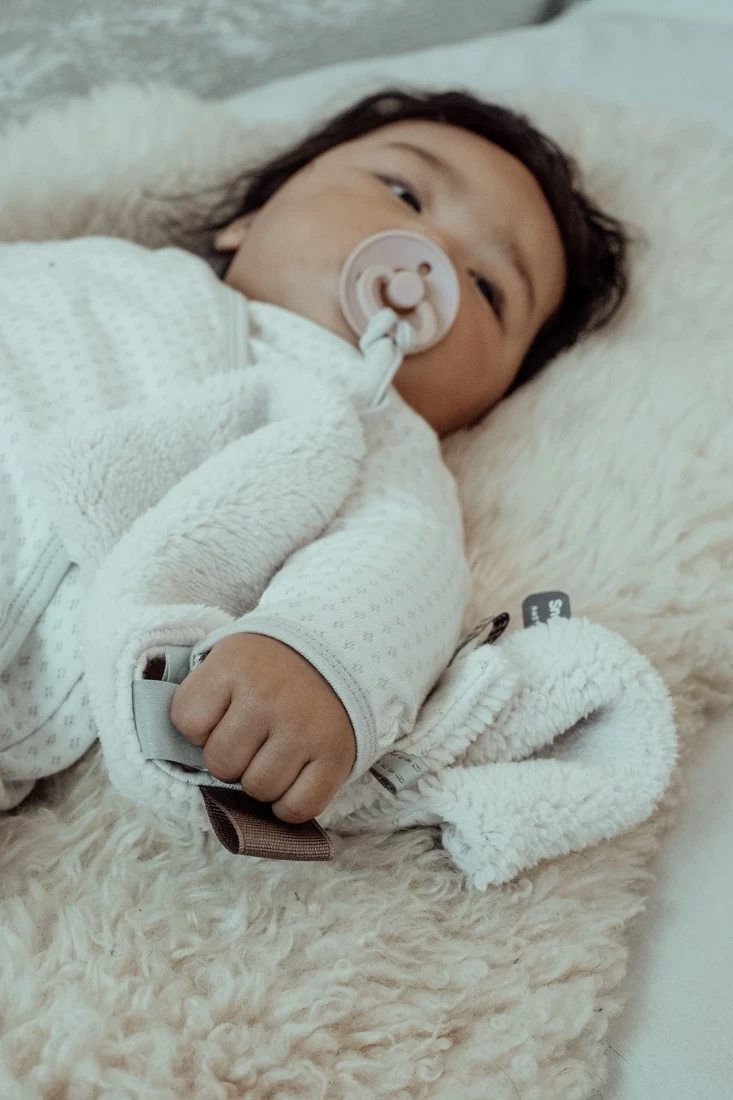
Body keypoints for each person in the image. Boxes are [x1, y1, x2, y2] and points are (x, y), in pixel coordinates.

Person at [0, 88, 627, 823]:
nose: (437, 257)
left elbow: (397, 574)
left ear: (486, 404)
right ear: (249, 220)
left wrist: (311, 658)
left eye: (488, 288)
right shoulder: (101, 271)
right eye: (403, 192)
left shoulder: (378, 445)